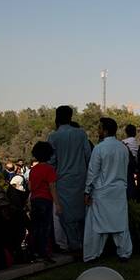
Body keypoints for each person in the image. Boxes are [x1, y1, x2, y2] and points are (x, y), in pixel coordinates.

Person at [83, 117, 132, 262]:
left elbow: (92, 172)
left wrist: (87, 191)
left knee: (96, 225)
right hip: (119, 191)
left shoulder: (99, 148)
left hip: (102, 191)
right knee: (121, 224)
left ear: (104, 131)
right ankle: (124, 253)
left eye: (99, 128)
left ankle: (92, 254)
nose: (97, 130)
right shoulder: (123, 148)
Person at [47, 105, 91, 256]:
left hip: (63, 181)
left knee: (66, 216)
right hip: (81, 179)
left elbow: (51, 161)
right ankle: (85, 244)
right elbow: (88, 155)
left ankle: (74, 245)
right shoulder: (81, 134)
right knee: (82, 213)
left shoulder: (54, 136)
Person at [27, 141, 60, 263]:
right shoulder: (50, 169)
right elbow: (52, 188)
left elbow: (30, 187)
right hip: (46, 200)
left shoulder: (33, 170)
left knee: (35, 227)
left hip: (35, 199)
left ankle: (33, 251)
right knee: (45, 227)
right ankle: (44, 252)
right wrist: (58, 204)